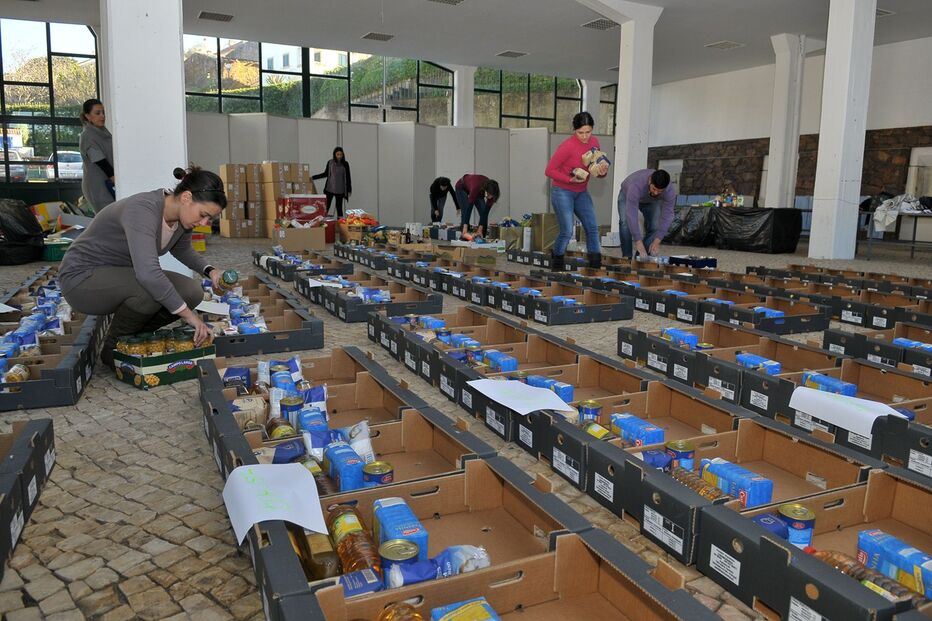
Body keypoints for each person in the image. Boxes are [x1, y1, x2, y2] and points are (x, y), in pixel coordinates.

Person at [59, 166, 230, 369]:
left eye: (209, 219)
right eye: (203, 214)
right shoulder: (143, 209)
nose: (204, 222)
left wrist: (210, 270)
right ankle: (113, 349)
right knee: (149, 288)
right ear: (186, 197)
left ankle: (135, 339)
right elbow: (148, 274)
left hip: (119, 275)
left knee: (191, 291)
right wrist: (189, 316)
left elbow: (183, 250)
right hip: (82, 278)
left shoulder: (181, 220)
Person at [544, 111, 608, 271]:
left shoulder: (594, 142)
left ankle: (595, 267)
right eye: (581, 133)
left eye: (588, 132)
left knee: (592, 228)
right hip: (562, 191)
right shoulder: (567, 146)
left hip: (581, 191)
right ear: (575, 130)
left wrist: (602, 172)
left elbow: (595, 170)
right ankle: (557, 264)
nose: (585, 136)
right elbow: (549, 170)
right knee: (567, 230)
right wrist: (569, 179)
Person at [617, 168, 676, 258]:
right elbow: (631, 215)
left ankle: (641, 256)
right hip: (626, 194)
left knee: (655, 225)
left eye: (660, 191)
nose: (656, 193)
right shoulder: (636, 185)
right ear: (650, 181)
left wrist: (657, 240)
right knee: (625, 223)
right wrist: (638, 241)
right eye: (654, 189)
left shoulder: (669, 190)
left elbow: (668, 215)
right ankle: (627, 257)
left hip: (651, 201)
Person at [78, 98, 115, 214]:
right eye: (97, 113)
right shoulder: (88, 135)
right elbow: (100, 161)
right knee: (108, 219)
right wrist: (115, 178)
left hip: (107, 183)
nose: (102, 116)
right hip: (98, 186)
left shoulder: (102, 131)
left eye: (103, 112)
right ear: (88, 116)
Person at [454, 174, 500, 239]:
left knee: (483, 212)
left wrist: (480, 230)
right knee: (465, 210)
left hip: (479, 191)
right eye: (488, 195)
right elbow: (469, 208)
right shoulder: (476, 187)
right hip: (461, 187)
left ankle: (481, 236)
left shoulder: (492, 193)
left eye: (491, 196)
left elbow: (485, 212)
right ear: (486, 190)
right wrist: (465, 228)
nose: (489, 197)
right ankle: (463, 235)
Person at [312, 147, 352, 218]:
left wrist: (349, 189)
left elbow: (348, 177)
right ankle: (323, 222)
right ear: (334, 154)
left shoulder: (345, 164)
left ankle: (340, 223)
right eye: (338, 154)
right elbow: (325, 174)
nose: (339, 156)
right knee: (326, 207)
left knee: (339, 208)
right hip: (330, 188)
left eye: (341, 154)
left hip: (340, 190)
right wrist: (313, 177)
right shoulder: (330, 162)